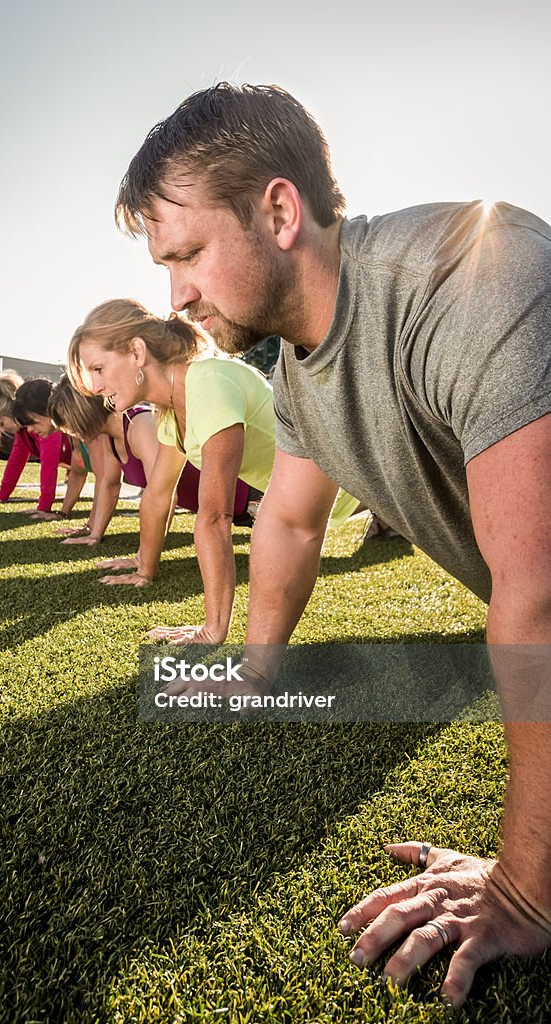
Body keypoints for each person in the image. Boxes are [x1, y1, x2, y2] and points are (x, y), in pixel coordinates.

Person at [116, 83, 551, 1008]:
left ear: (278, 211)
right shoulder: (303, 372)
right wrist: (258, 671)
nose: (177, 293)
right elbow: (287, 517)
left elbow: (540, 596)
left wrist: (522, 888)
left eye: (188, 254)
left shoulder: (472, 273)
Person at [66, 299, 278, 642]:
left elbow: (214, 517)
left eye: (98, 369)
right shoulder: (167, 412)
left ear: (136, 352)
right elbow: (158, 495)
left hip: (352, 487)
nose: (95, 387)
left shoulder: (206, 382)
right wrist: (144, 569)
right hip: (326, 501)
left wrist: (212, 631)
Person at [48, 374, 254, 548]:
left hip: (249, 500)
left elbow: (165, 495)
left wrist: (143, 560)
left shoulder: (140, 425)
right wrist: (94, 534)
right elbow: (109, 485)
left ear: (82, 414)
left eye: (70, 426)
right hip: (230, 512)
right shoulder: (108, 437)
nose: (72, 434)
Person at [0, 377, 86, 520]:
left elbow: (49, 465)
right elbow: (16, 461)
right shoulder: (29, 430)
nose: (29, 430)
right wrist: (2, 496)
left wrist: (44, 507)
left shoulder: (53, 427)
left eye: (2, 423)